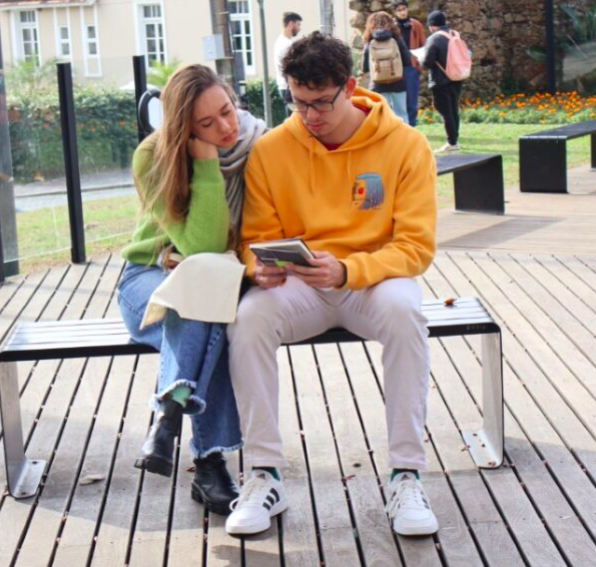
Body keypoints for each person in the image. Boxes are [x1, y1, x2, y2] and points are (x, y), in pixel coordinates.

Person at [225, 32, 439, 538]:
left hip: (373, 281)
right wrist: (258, 267)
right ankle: (263, 474)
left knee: (406, 312)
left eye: (321, 102)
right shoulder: (272, 150)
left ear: (351, 86)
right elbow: (255, 239)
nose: (309, 115)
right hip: (301, 285)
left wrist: (348, 271)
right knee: (249, 318)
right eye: (298, 102)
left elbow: (416, 247)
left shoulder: (406, 145)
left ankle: (406, 475)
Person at [117, 64, 265, 516]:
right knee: (206, 308)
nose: (226, 127)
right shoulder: (153, 156)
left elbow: (207, 255)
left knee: (207, 303)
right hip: (148, 277)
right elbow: (204, 245)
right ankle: (209, 462)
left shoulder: (260, 146)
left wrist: (209, 155)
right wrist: (203, 163)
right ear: (184, 129)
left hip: (214, 281)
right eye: (207, 123)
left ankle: (169, 415)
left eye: (227, 110)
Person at [422, 10, 463, 152]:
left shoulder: (434, 39)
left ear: (432, 25)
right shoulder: (454, 34)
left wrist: (420, 59)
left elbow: (427, 62)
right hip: (457, 78)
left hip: (441, 80)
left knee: (446, 112)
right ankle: (455, 139)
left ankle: (452, 142)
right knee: (453, 109)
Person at [361, 11, 411, 123]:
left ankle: (387, 134)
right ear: (390, 23)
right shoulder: (396, 38)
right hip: (398, 80)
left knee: (383, 114)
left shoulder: (370, 40)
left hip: (378, 83)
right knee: (401, 113)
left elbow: (365, 66)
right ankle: (404, 134)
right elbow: (407, 60)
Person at [393, 0, 426, 126]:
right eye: (399, 10)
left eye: (404, 9)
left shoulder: (415, 25)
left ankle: (411, 124)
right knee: (397, 98)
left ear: (407, 9)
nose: (402, 12)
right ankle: (399, 125)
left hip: (411, 66)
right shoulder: (392, 26)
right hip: (396, 67)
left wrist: (419, 65)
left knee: (412, 98)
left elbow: (423, 45)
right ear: (395, 12)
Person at [274, 11, 303, 117]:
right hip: (289, 87)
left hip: (285, 86)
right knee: (296, 119)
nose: (299, 28)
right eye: (298, 24)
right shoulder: (286, 44)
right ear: (291, 24)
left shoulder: (281, 41)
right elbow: (293, 67)